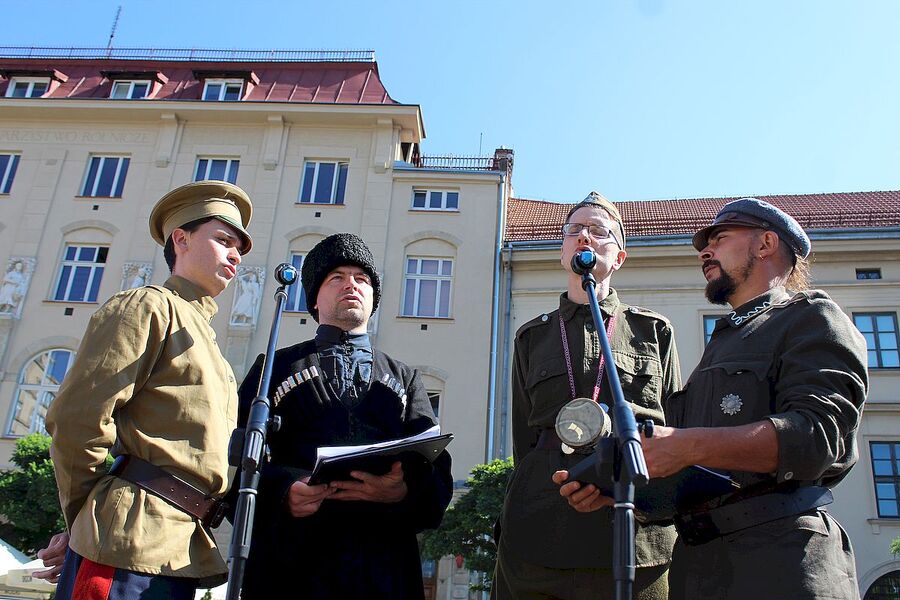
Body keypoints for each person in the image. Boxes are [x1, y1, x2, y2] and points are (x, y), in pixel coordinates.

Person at [556, 198, 868, 600]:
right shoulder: (722, 344)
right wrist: (614, 488)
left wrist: (685, 445)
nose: (704, 250)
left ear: (766, 244)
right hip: (701, 565)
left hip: (781, 558)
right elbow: (693, 471)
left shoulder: (811, 318)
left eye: (719, 238)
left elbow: (820, 437)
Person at [42, 180, 253, 599]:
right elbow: (77, 420)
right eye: (224, 240)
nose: (235, 255)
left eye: (239, 249)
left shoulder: (206, 337)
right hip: (126, 541)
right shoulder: (147, 306)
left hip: (178, 547)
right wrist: (86, 520)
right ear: (181, 239)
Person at [230, 232, 453, 599]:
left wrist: (402, 492)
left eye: (362, 279)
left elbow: (437, 475)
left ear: (373, 299)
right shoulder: (274, 367)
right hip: (292, 570)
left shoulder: (405, 377)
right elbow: (237, 468)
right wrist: (283, 492)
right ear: (314, 299)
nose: (351, 284)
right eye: (337, 277)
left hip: (384, 570)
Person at [493, 192, 682, 600]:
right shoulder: (532, 336)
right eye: (574, 230)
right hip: (541, 531)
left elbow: (673, 430)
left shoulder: (653, 331)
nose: (584, 237)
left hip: (634, 534)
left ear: (619, 258)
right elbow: (524, 443)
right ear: (562, 253)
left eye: (599, 231)